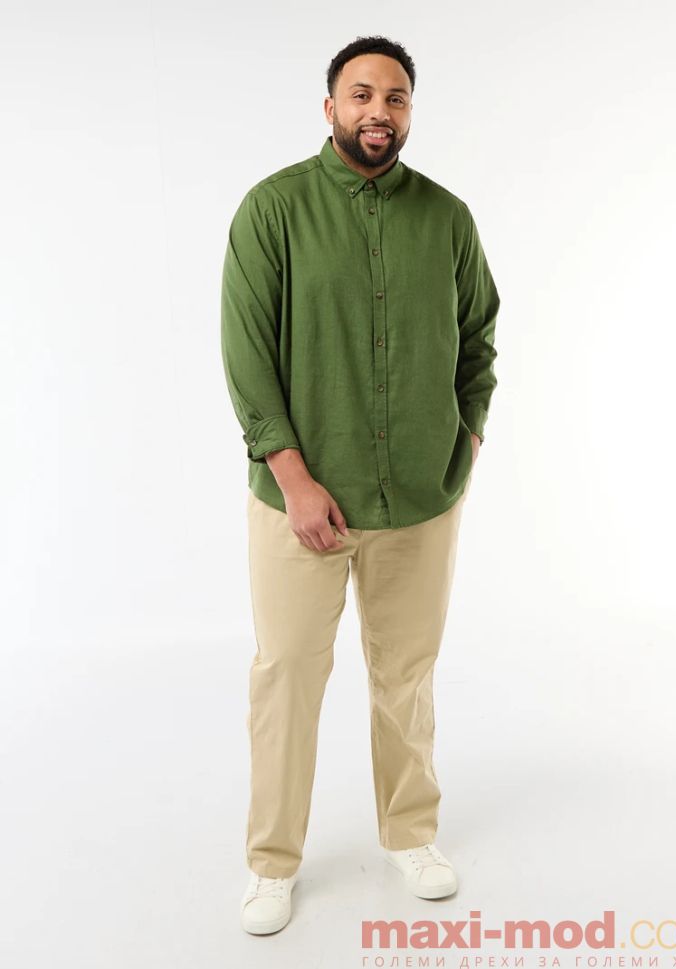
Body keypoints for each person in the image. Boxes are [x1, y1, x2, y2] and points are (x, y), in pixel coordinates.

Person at [220, 35, 501, 936]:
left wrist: (466, 437)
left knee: (406, 675)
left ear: (409, 112)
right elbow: (246, 355)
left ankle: (411, 833)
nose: (380, 110)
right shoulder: (273, 210)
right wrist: (294, 477)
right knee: (287, 677)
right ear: (331, 106)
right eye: (362, 93)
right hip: (300, 502)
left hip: (420, 497)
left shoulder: (447, 218)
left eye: (397, 97)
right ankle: (272, 862)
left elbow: (480, 336)